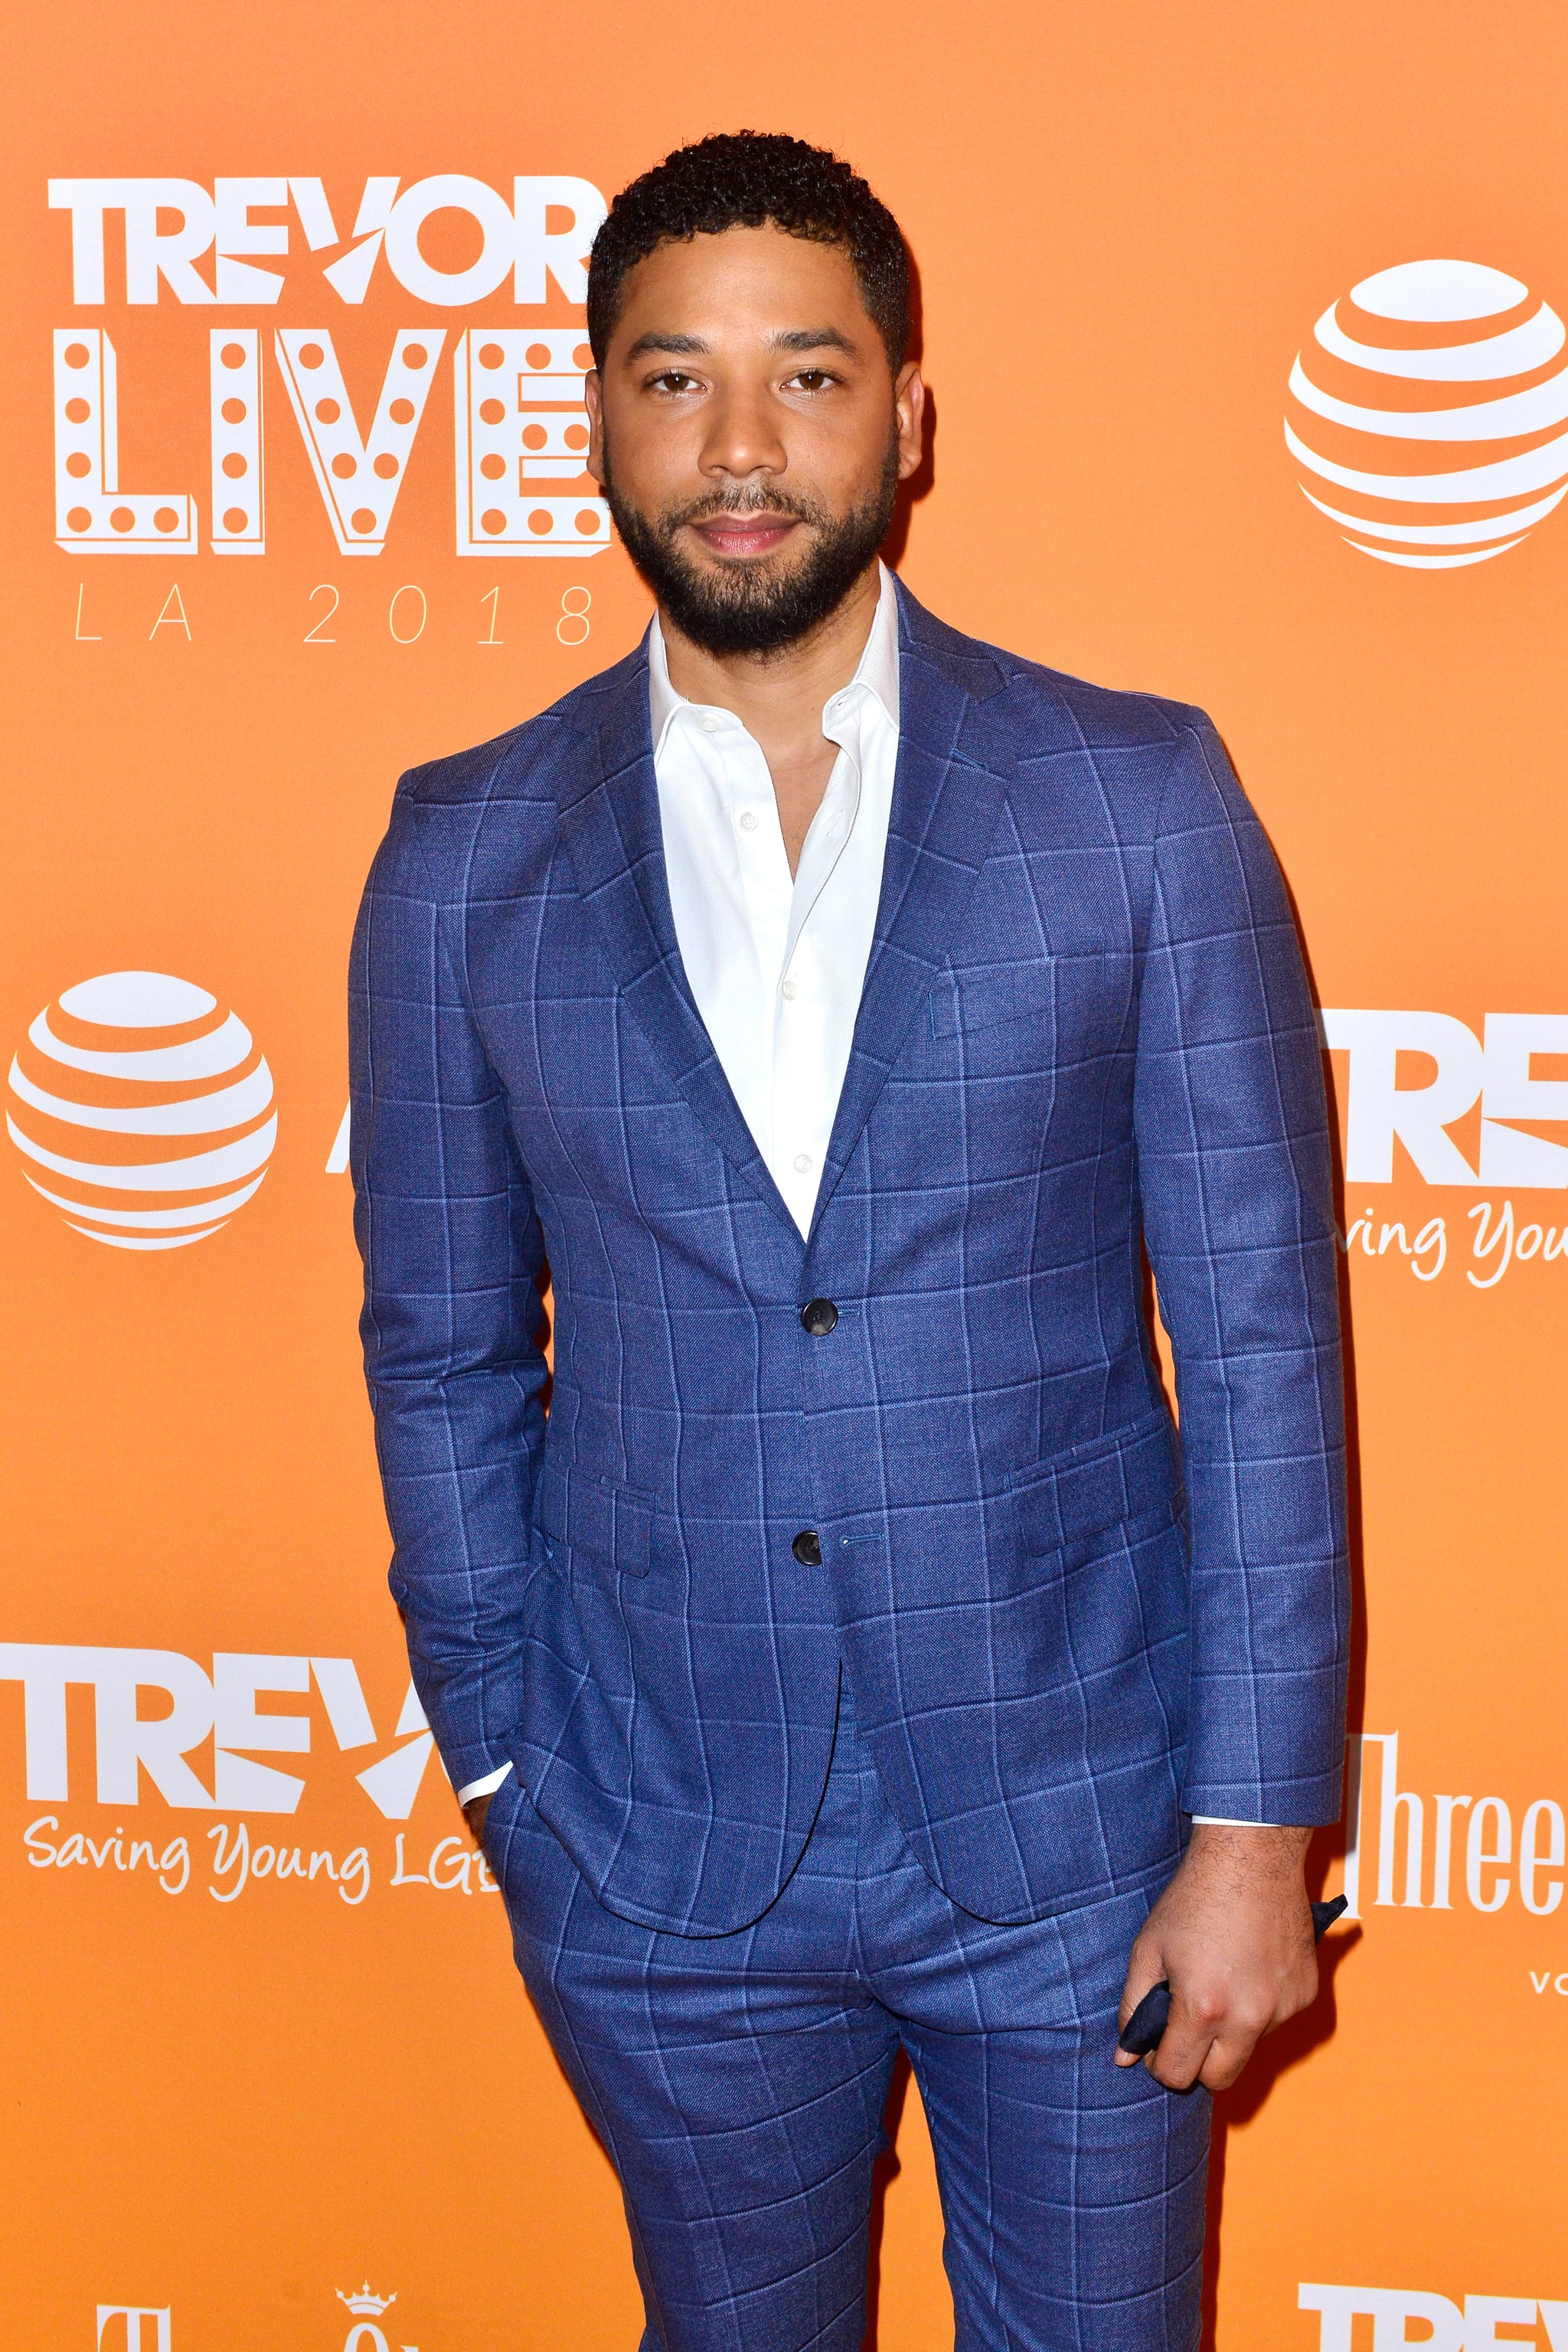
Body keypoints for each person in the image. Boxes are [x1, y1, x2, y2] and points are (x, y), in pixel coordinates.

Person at [350, 130, 1349, 2352]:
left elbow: (1265, 1342)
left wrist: (1257, 1830)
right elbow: (437, 1356)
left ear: (907, 414)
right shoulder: (461, 855)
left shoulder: (1137, 798)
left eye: (805, 377)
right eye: (672, 378)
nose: (737, 446)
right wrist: (513, 1773)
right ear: (597, 415)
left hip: (1089, 1835)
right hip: (661, 1849)